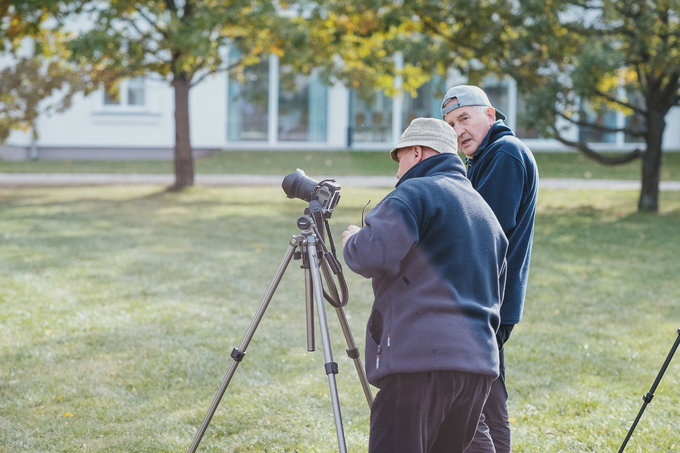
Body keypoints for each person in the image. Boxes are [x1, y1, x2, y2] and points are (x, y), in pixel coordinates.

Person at [341, 117, 508, 453]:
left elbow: (373, 255)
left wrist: (353, 240)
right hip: (477, 368)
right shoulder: (483, 210)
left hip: (419, 363)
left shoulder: (414, 192)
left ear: (416, 152)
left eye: (399, 158)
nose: (397, 171)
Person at [441, 85, 539, 453]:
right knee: (487, 398)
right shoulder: (486, 158)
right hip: (484, 297)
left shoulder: (505, 154)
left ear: (491, 115)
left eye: (464, 118)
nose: (458, 131)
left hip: (486, 299)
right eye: (450, 124)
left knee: (479, 404)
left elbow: (483, 232)